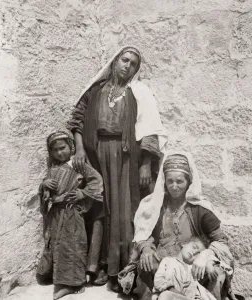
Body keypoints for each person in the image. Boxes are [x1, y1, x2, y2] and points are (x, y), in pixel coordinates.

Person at [67, 46, 167, 291]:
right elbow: (77, 119)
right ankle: (101, 266)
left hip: (127, 157)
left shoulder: (139, 93)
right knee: (102, 208)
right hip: (96, 153)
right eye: (124, 60)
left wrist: (145, 164)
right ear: (114, 61)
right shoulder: (96, 91)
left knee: (125, 209)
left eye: (133, 64)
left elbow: (150, 128)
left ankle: (125, 268)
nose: (127, 66)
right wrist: (79, 149)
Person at [132, 151, 235, 300]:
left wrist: (205, 256)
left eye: (179, 181)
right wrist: (146, 248)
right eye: (170, 181)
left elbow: (221, 241)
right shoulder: (156, 206)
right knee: (146, 264)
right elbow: (144, 232)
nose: (174, 186)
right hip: (164, 267)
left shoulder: (200, 210)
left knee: (216, 271)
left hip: (194, 268)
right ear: (164, 182)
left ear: (189, 182)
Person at [36, 131, 103, 300]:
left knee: (73, 246)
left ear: (71, 147)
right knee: (57, 246)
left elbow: (96, 179)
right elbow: (47, 194)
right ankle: (60, 280)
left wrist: (83, 193)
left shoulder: (77, 164)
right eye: (55, 150)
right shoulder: (53, 168)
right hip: (56, 215)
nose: (60, 152)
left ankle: (76, 283)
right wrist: (45, 185)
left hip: (72, 213)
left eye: (63, 148)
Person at [152, 236, 231, 300]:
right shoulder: (168, 261)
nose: (194, 252)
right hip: (170, 295)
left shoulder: (193, 269)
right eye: (194, 247)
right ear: (184, 243)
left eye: (198, 254)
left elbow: (226, 267)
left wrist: (210, 263)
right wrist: (171, 289)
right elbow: (158, 281)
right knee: (165, 296)